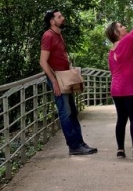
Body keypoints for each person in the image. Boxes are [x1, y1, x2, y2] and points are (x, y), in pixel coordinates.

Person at [39, 9, 98, 155]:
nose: (63, 18)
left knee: (72, 113)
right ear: (52, 21)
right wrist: (54, 82)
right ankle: (74, 146)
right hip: (57, 79)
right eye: (59, 17)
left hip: (65, 77)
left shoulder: (59, 35)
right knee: (65, 113)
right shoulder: (48, 36)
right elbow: (43, 61)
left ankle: (80, 143)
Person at [105, 0, 133, 159]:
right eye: (121, 26)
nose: (125, 27)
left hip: (116, 90)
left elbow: (112, 72)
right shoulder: (128, 41)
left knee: (121, 119)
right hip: (131, 88)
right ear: (117, 33)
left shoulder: (111, 51)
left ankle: (120, 150)